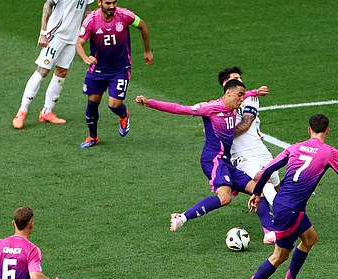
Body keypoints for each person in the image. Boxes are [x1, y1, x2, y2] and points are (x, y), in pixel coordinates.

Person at [234, 114, 338, 279]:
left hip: (285, 204)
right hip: (290, 210)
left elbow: (268, 169)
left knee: (310, 239)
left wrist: (256, 192)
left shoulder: (295, 147)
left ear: (309, 130)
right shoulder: (329, 152)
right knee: (279, 256)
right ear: (328, 131)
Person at [136, 80, 262, 232]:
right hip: (214, 159)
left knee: (259, 190)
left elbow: (242, 94)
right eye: (240, 95)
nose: (242, 99)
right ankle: (182, 217)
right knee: (224, 197)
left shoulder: (233, 104)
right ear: (228, 93)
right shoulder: (210, 108)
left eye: (243, 96)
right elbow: (178, 109)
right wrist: (149, 102)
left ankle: (271, 233)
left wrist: (254, 92)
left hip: (225, 161)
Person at [76, 0, 153, 148]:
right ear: (99, 2)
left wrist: (147, 50)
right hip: (98, 70)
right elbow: (79, 43)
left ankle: (124, 116)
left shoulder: (124, 15)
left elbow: (142, 25)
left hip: (120, 69)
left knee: (114, 104)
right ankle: (93, 137)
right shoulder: (91, 20)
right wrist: (85, 58)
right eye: (108, 3)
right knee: (92, 104)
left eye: (114, 2)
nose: (112, 6)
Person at [218, 66, 278, 244]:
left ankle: (284, 220)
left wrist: (222, 136)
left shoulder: (250, 98)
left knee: (276, 190)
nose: (239, 80)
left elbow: (245, 123)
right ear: (225, 86)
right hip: (241, 156)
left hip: (260, 151)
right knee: (261, 183)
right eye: (234, 78)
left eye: (240, 77)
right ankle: (271, 230)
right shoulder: (219, 105)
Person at [12, 0, 94, 129]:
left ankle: (46, 112)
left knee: (62, 71)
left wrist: (91, 28)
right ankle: (21, 112)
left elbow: (86, 9)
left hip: (73, 37)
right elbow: (47, 5)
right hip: (56, 34)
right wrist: (43, 33)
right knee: (43, 71)